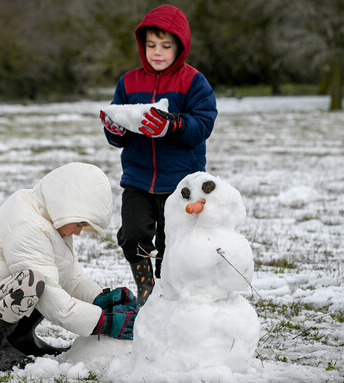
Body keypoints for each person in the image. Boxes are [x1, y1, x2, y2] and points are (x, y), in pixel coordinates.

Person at [0, 162, 138, 372]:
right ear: (67, 206)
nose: (78, 232)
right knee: (33, 283)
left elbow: (69, 278)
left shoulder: (51, 220)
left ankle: (19, 341)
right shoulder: (27, 225)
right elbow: (51, 296)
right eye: (80, 224)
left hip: (0, 298)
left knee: (42, 280)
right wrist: (103, 322)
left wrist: (100, 298)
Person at [100, 4, 218, 306]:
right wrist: (115, 127)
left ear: (180, 46)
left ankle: (168, 293)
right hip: (138, 178)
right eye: (151, 45)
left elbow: (202, 125)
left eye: (166, 46)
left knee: (172, 243)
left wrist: (173, 124)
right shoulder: (128, 82)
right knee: (131, 233)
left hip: (179, 181)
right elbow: (119, 136)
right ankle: (146, 286)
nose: (157, 52)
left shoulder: (193, 81)